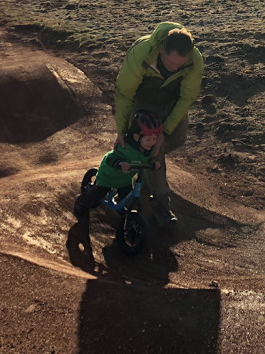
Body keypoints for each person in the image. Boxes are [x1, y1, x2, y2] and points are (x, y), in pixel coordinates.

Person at [111, 22, 205, 226]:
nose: (175, 68)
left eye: (180, 65)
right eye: (171, 63)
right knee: (151, 145)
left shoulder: (195, 61)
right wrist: (122, 130)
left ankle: (145, 174)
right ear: (162, 49)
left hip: (171, 103)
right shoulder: (141, 53)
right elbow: (124, 93)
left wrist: (166, 130)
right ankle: (161, 203)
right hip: (142, 101)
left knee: (174, 139)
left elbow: (186, 99)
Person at [74, 110, 165, 222]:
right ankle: (81, 202)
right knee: (97, 194)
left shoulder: (149, 150)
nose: (151, 143)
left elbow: (148, 159)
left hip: (124, 180)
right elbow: (110, 158)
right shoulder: (125, 147)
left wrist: (154, 163)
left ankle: (126, 214)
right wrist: (119, 163)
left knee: (127, 197)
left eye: (154, 139)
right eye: (148, 139)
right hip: (108, 176)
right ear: (136, 137)